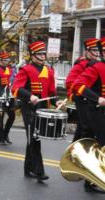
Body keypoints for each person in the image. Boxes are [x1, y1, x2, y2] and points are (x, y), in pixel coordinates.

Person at [12, 41, 63, 182]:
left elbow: (51, 92)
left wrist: (56, 101)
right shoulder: (26, 69)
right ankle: (38, 171)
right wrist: (30, 95)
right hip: (29, 108)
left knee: (33, 138)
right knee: (34, 138)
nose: (42, 56)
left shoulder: (49, 70)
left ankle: (28, 169)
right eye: (40, 54)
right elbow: (16, 88)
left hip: (42, 109)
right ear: (33, 56)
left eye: (43, 53)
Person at [72, 37, 105, 193]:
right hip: (97, 111)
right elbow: (77, 85)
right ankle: (90, 181)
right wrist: (97, 98)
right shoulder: (96, 67)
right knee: (101, 146)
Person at [65, 38, 100, 142]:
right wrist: (81, 93)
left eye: (98, 51)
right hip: (82, 99)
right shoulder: (81, 64)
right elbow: (69, 82)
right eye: (94, 51)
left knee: (82, 127)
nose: (97, 54)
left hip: (93, 100)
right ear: (87, 52)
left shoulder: (98, 65)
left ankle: (74, 151)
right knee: (87, 127)